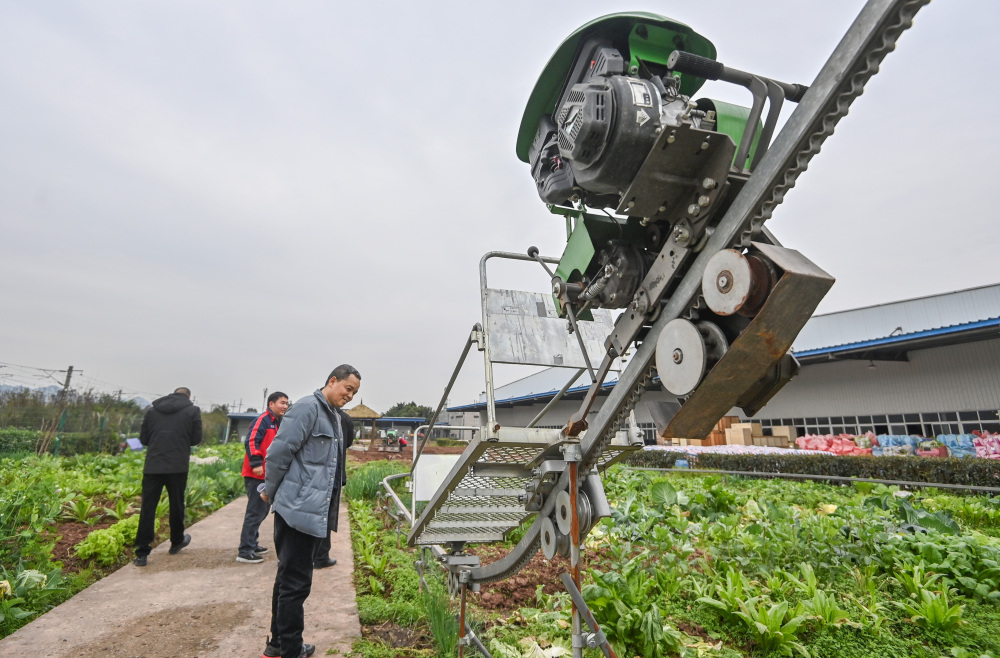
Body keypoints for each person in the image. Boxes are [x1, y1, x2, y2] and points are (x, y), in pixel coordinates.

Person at [261, 365, 361, 658]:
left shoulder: (332, 415)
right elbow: (279, 452)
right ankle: (291, 649)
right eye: (348, 389)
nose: (350, 396)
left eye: (354, 392)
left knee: (287, 578)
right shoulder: (307, 409)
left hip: (310, 509)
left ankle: (278, 644)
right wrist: (270, 489)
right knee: (296, 584)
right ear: (332, 381)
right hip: (298, 510)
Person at [133, 387, 203, 567]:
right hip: (177, 466)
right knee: (177, 505)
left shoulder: (152, 410)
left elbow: (144, 439)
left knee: (148, 508)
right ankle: (176, 541)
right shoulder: (192, 411)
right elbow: (196, 438)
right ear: (189, 396)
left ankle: (142, 552)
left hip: (153, 466)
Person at [236, 391, 290, 564]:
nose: (284, 406)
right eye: (282, 403)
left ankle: (252, 543)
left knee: (262, 511)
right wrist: (256, 463)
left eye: (286, 403)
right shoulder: (263, 420)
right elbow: (251, 441)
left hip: (267, 474)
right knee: (255, 511)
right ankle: (245, 550)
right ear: (271, 404)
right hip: (256, 473)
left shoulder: (276, 422)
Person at [312, 408, 353, 569]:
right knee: (325, 518)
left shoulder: (314, 413)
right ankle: (321, 556)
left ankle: (310, 556)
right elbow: (348, 442)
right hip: (333, 474)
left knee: (310, 516)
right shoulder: (345, 418)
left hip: (312, 475)